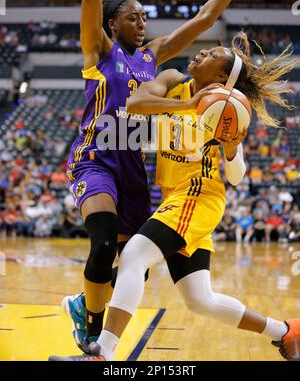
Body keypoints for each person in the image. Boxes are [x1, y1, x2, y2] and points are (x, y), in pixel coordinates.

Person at [61, 0, 264, 354]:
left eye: (145, 18)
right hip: (97, 154)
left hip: (133, 161)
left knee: (141, 262)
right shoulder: (100, 49)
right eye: (133, 18)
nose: (142, 24)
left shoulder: (154, 56)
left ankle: (85, 304)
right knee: (102, 240)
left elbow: (207, 17)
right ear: (113, 24)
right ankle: (94, 332)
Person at [49, 30, 299, 362]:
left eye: (211, 55)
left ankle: (103, 354)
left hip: (198, 196)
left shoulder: (227, 110)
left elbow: (237, 177)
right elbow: (134, 105)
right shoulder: (173, 81)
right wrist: (189, 104)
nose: (202, 52)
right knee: (200, 299)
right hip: (175, 199)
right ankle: (286, 331)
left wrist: (231, 148)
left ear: (221, 77)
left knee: (134, 255)